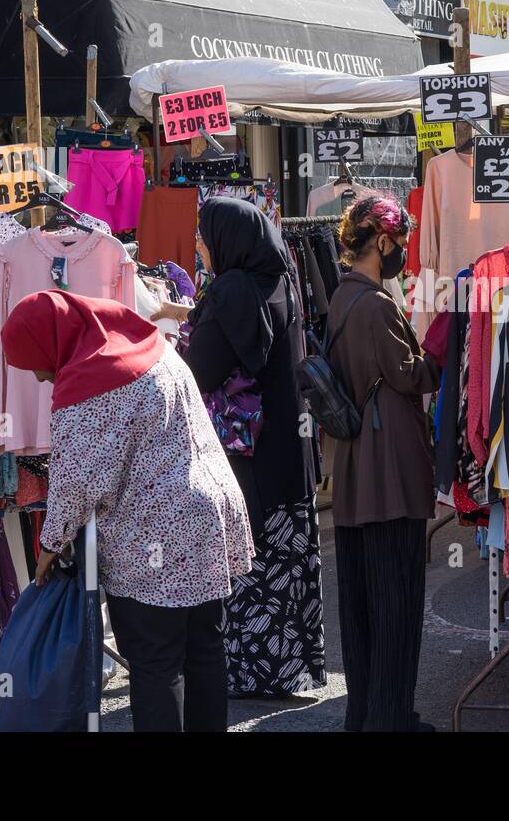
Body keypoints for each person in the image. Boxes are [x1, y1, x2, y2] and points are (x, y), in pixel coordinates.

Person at [2, 290, 253, 732]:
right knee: (205, 650)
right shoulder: (151, 346)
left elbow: (78, 483)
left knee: (156, 663)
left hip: (153, 536)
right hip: (208, 518)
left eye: (36, 363)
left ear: (51, 342)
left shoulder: (89, 384)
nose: (42, 377)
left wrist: (49, 545)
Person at [182, 196, 325, 697]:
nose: (198, 245)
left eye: (203, 235)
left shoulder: (232, 292)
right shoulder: (280, 282)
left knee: (253, 561)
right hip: (291, 452)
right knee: (285, 560)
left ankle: (254, 670)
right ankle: (284, 669)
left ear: (227, 240)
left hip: (251, 459)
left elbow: (199, 369)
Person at [327, 193, 442, 731]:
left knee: (362, 606)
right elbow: (410, 375)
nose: (402, 254)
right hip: (388, 473)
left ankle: (367, 713)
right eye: (399, 243)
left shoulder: (341, 298)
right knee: (396, 602)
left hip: (355, 474)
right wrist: (438, 348)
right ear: (383, 241)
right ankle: (392, 717)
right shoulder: (375, 304)